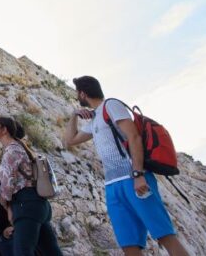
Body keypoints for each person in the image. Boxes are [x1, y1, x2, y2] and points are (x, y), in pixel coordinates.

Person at [63, 76, 189, 256]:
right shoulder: (95, 118)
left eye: (77, 93)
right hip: (112, 186)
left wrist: (138, 174)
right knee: (129, 245)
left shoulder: (111, 106)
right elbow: (70, 140)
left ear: (83, 93)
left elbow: (134, 136)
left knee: (164, 235)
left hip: (134, 178)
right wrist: (73, 115)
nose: (77, 97)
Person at [0, 117, 63, 256]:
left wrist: (4, 202)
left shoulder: (11, 152)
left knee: (22, 252)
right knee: (51, 251)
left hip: (25, 205)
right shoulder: (20, 149)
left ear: (4, 130)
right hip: (38, 205)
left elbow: (7, 186)